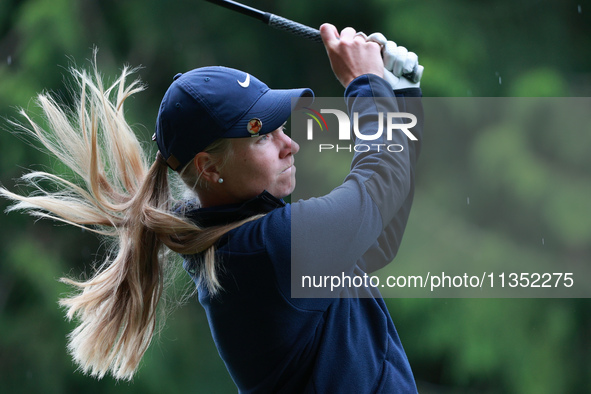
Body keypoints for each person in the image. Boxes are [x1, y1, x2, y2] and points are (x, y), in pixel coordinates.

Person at [1, 23, 423, 393]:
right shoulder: (268, 249)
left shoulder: (246, 240)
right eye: (263, 138)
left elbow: (377, 239)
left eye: (280, 128)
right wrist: (366, 85)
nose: (289, 144)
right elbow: (378, 190)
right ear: (209, 167)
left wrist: (401, 96)